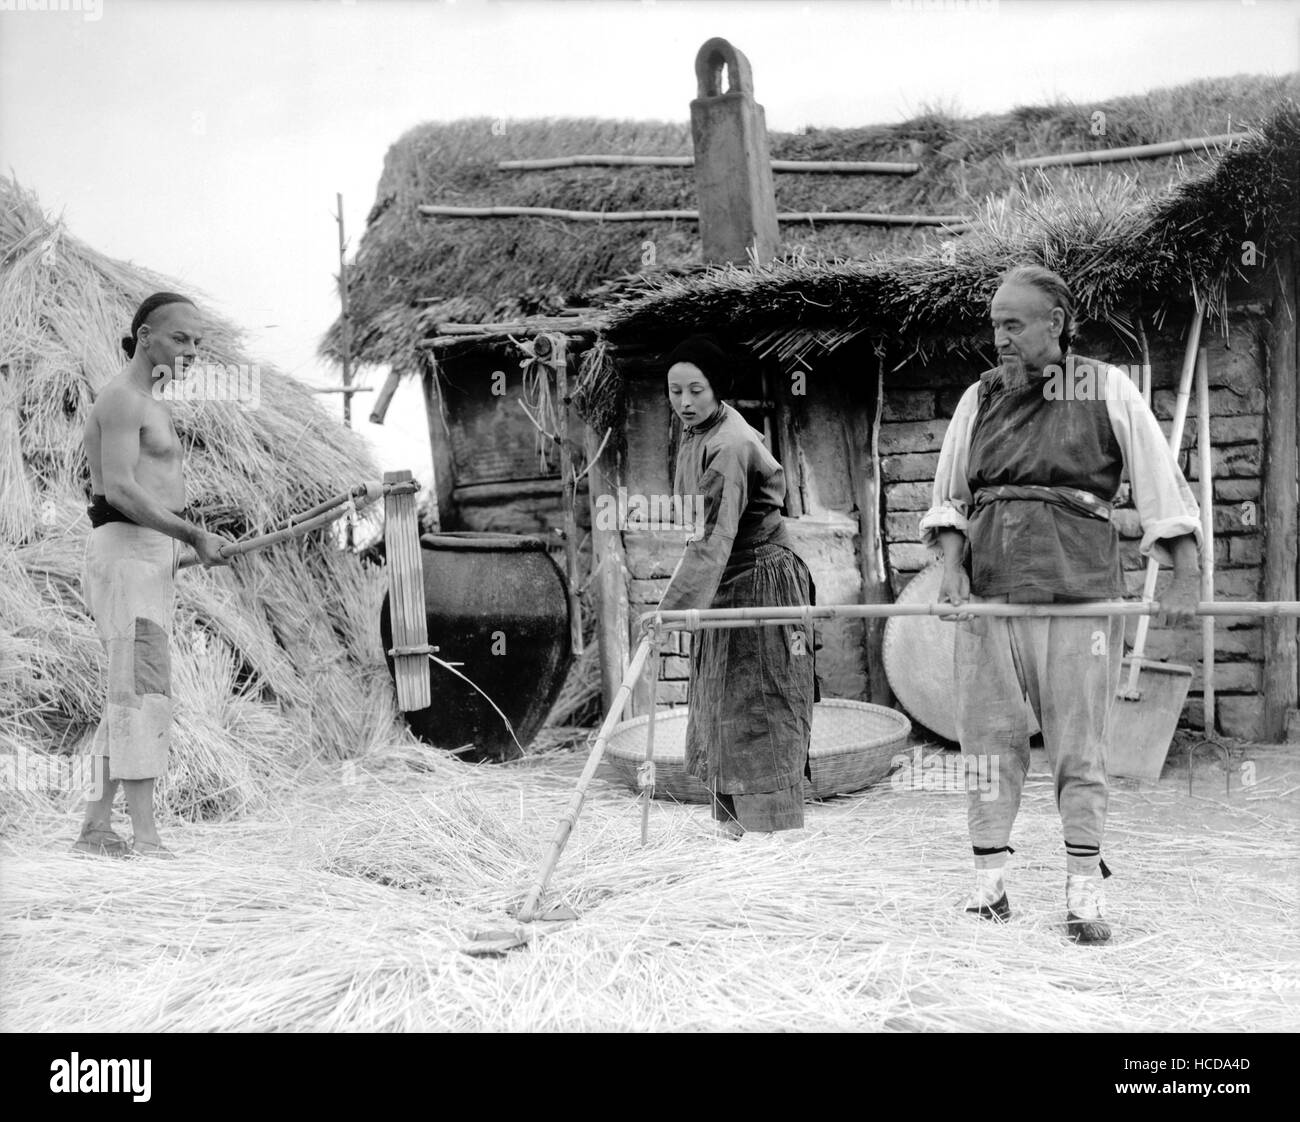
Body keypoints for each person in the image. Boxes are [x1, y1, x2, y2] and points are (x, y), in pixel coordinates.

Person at [921, 264, 1202, 943]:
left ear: (1056, 324)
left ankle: (1083, 896)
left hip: (1078, 592)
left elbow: (1160, 485)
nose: (1001, 339)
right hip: (990, 595)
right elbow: (951, 497)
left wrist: (1185, 575)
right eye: (995, 325)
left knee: (1079, 747)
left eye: (1014, 325)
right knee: (989, 743)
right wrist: (951, 568)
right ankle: (989, 888)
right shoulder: (980, 397)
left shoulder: (1104, 387)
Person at [75, 292, 231, 859]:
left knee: (128, 691)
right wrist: (190, 535)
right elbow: (117, 488)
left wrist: (182, 545)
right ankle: (146, 837)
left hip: (147, 555)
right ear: (145, 337)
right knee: (141, 691)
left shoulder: (151, 403)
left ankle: (95, 828)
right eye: (180, 338)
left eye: (198, 344)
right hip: (127, 552)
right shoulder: (121, 399)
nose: (191, 352)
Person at [654, 335, 818, 838]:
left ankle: (775, 833)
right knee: (720, 699)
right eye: (675, 391)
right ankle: (733, 828)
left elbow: (712, 537)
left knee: (761, 703)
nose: (684, 402)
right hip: (725, 576)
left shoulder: (730, 445)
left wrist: (671, 613)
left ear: (717, 390)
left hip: (760, 580)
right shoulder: (694, 434)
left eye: (696, 390)